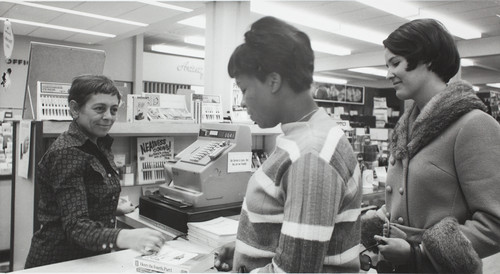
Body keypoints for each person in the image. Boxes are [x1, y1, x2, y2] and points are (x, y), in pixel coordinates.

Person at [214, 16, 362, 273]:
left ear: (274, 81)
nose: (241, 102)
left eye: (244, 88)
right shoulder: (303, 135)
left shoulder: (312, 155)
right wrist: (246, 250)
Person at [361, 18, 500, 273]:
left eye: (395, 63)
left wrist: (420, 252)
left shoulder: (474, 125)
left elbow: (495, 222)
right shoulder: (407, 127)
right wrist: (376, 222)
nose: (388, 74)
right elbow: (405, 199)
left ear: (428, 60)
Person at [25, 75, 165, 268]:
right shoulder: (67, 152)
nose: (108, 116)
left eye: (114, 109)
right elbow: (76, 227)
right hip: (59, 262)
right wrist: (126, 236)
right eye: (99, 109)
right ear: (75, 109)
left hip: (90, 259)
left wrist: (111, 208)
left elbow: (74, 202)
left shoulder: (98, 143)